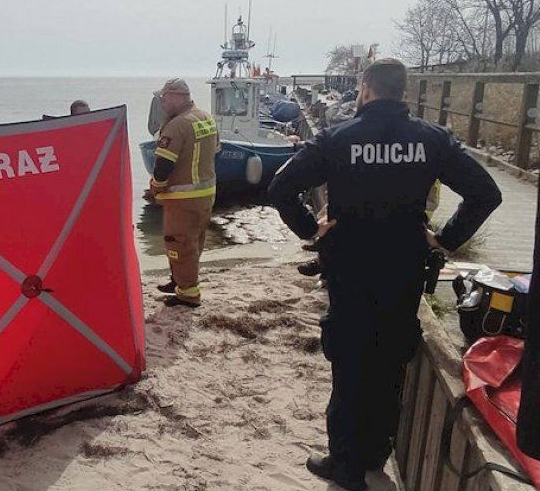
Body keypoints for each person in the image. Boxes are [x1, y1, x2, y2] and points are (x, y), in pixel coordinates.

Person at [267, 58, 502, 491]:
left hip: (350, 271)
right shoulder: (433, 140)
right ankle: (375, 454)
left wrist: (310, 229)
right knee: (390, 363)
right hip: (403, 269)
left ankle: (345, 465)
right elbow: (486, 193)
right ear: (403, 91)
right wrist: (444, 238)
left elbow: (280, 187)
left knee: (350, 365)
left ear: (365, 88)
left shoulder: (337, 139)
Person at [149, 78, 219, 308]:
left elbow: (163, 166)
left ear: (178, 97)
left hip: (183, 197)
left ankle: (188, 294)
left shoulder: (177, 125)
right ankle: (178, 280)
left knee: (178, 243)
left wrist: (156, 186)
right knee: (194, 241)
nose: (162, 102)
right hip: (205, 194)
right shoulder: (206, 118)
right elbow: (215, 150)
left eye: (165, 97)